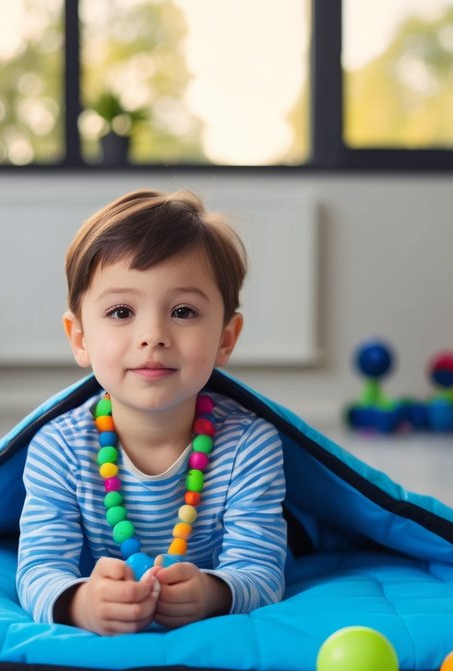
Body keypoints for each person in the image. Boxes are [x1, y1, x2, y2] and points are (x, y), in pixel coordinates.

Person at [16, 189, 288, 635]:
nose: (153, 335)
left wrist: (212, 593)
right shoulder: (58, 448)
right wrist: (81, 602)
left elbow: (261, 571)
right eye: (121, 311)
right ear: (80, 338)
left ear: (225, 337)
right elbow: (37, 571)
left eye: (183, 311)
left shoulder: (250, 446)